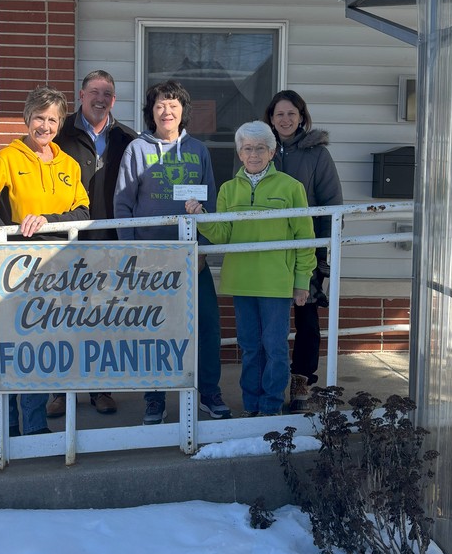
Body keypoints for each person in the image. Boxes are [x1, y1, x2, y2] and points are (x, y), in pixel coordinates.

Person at [0, 86, 90, 436]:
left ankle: (29, 429)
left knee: (44, 347)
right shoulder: (8, 158)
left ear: (60, 123)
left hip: (60, 269)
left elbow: (82, 209)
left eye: (53, 119)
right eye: (39, 118)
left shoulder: (69, 164)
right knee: (19, 348)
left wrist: (49, 219)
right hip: (18, 267)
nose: (45, 126)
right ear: (27, 119)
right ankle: (17, 430)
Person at [114, 79, 230, 424]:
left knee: (207, 325)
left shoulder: (198, 150)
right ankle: (155, 397)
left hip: (193, 257)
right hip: (152, 258)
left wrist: (203, 249)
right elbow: (123, 204)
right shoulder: (137, 149)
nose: (167, 111)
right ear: (152, 112)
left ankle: (208, 391)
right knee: (156, 329)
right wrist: (132, 252)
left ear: (183, 112)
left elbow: (209, 202)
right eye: (161, 105)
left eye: (174, 105)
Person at [185, 121, 315, 417]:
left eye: (260, 149)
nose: (253, 154)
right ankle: (252, 406)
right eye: (247, 149)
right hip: (241, 280)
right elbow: (223, 235)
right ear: (239, 154)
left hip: (276, 282)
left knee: (275, 347)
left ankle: (270, 406)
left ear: (271, 152)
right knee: (251, 347)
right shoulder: (229, 190)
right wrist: (201, 216)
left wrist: (301, 280)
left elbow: (305, 238)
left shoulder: (291, 187)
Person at [52, 69, 137, 416]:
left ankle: (100, 388)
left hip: (109, 243)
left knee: (103, 319)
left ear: (113, 100)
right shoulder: (60, 134)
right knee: (62, 318)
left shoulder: (127, 139)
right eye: (94, 92)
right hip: (64, 242)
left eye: (108, 94)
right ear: (81, 94)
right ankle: (60, 390)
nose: (100, 99)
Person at [265, 89, 343, 411]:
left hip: (306, 250)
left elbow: (331, 205)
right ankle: (268, 384)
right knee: (271, 322)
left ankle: (301, 381)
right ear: (270, 118)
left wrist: (324, 252)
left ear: (301, 117)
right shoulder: (260, 150)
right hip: (268, 251)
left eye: (291, 114)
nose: (285, 119)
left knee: (307, 318)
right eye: (279, 114)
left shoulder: (317, 155)